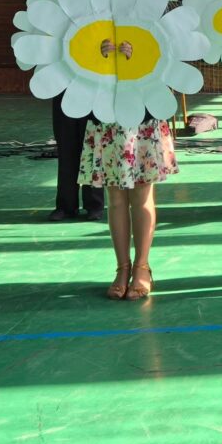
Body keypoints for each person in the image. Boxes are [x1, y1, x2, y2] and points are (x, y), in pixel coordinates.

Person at [80, 38, 179, 300]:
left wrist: (140, 55)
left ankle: (142, 267)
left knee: (142, 195)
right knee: (115, 198)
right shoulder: (93, 22)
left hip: (144, 114)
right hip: (106, 115)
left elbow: (168, 57)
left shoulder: (151, 24)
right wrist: (96, 54)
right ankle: (122, 268)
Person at [49, 93, 104, 221]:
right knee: (66, 149)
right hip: (64, 90)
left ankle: (94, 205)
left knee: (92, 148)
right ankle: (65, 206)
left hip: (93, 92)